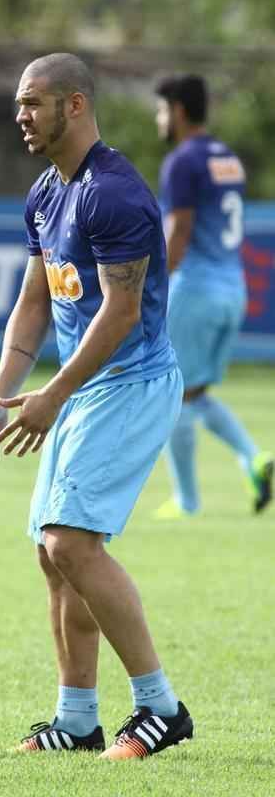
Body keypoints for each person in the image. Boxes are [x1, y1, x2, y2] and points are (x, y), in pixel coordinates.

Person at [0, 53, 193, 759]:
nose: (20, 115)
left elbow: (120, 313)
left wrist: (53, 395)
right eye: (17, 104)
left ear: (75, 105)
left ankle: (160, 709)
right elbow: (34, 305)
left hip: (130, 382)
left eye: (32, 102)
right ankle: (76, 720)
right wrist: (2, 399)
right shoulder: (45, 193)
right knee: (51, 554)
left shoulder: (113, 193)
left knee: (71, 541)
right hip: (83, 390)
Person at [154, 74, 273, 518]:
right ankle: (253, 458)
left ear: (179, 111)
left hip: (196, 290)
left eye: (163, 109)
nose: (159, 118)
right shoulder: (229, 159)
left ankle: (187, 503)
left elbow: (180, 233)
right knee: (197, 392)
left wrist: (151, 288)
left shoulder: (183, 161)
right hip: (231, 288)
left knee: (173, 391)